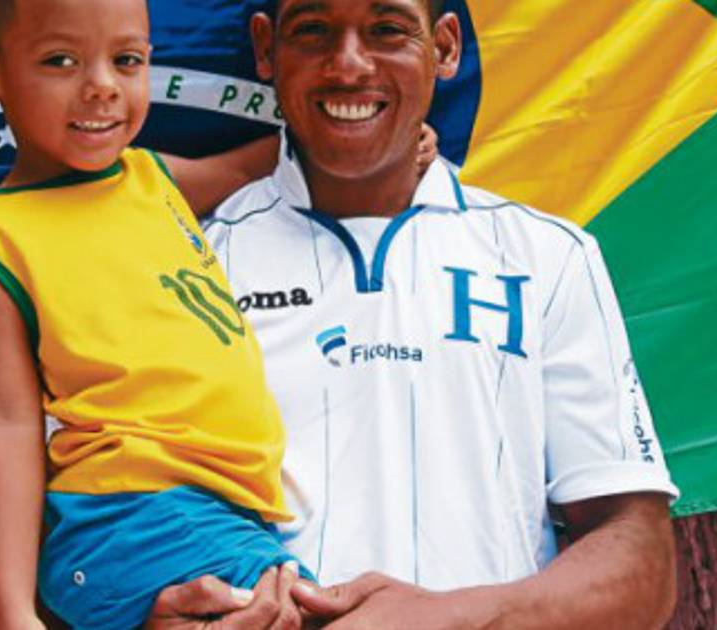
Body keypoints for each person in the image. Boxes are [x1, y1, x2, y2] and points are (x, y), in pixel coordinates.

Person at [147, 0, 681, 628]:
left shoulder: (548, 256)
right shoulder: (188, 267)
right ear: (266, 49)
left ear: (446, 47)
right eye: (313, 30)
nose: (349, 65)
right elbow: (102, 512)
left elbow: (641, 564)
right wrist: (148, 613)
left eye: (387, 29)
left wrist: (452, 619)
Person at [0, 0, 332, 627]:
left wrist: (370, 138)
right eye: (60, 61)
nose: (102, 87)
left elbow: (248, 167)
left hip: (216, 515)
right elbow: (2, 423)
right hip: (131, 515)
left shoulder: (148, 177)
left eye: (126, 61)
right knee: (325, 615)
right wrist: (11, 612)